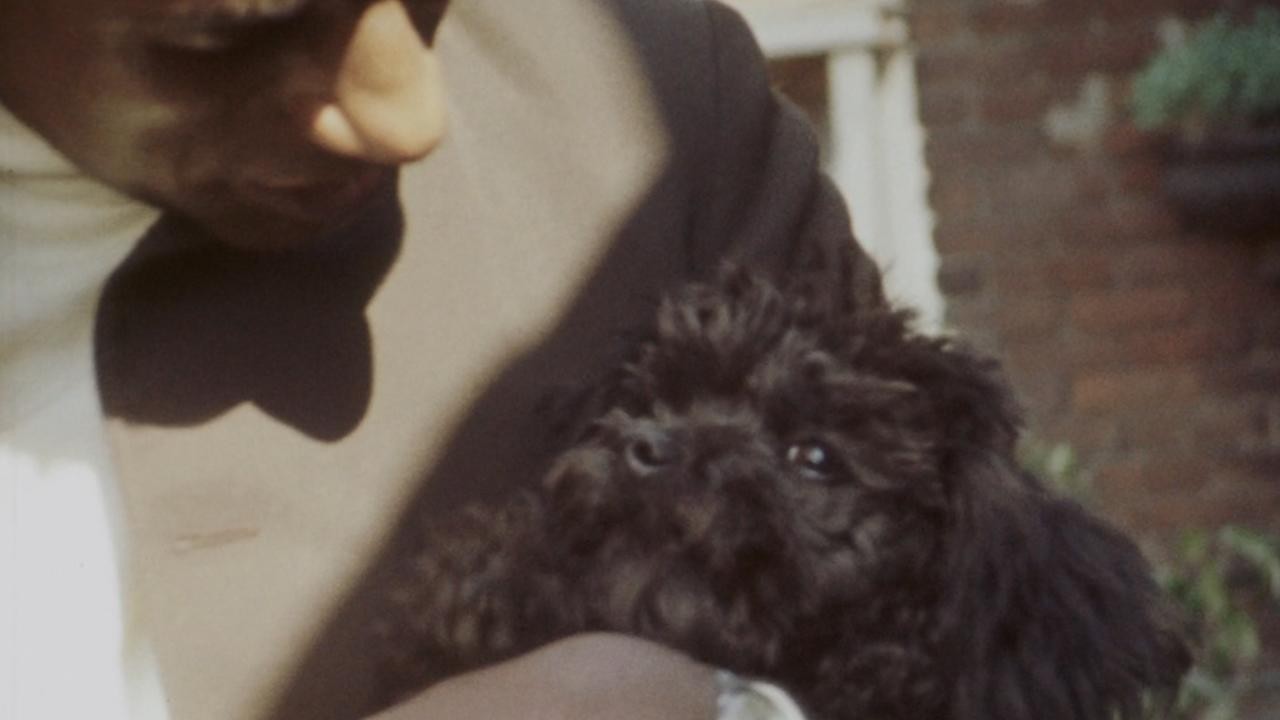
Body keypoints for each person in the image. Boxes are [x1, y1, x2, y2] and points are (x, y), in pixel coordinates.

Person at [0, 0, 884, 718]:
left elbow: (966, 634)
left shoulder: (657, 110)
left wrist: (734, 713)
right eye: (237, 33)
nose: (411, 115)